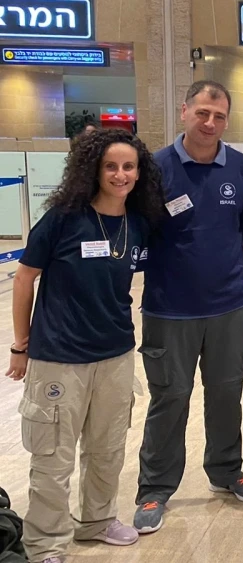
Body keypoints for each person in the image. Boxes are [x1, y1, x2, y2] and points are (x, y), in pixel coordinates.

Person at [5, 129, 164, 563]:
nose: (119, 174)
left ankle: (96, 521)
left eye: (128, 166)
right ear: (93, 169)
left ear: (139, 171)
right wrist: (21, 346)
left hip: (114, 352)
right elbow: (24, 278)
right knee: (53, 458)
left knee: (107, 447)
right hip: (59, 357)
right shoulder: (62, 217)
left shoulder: (138, 221)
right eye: (110, 166)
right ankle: (46, 544)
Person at [133, 80, 243, 534]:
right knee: (170, 398)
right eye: (203, 113)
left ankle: (226, 471)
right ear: (184, 110)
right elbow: (140, 229)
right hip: (169, 309)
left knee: (227, 393)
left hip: (228, 304)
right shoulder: (153, 168)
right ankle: (154, 488)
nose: (210, 123)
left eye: (220, 116)